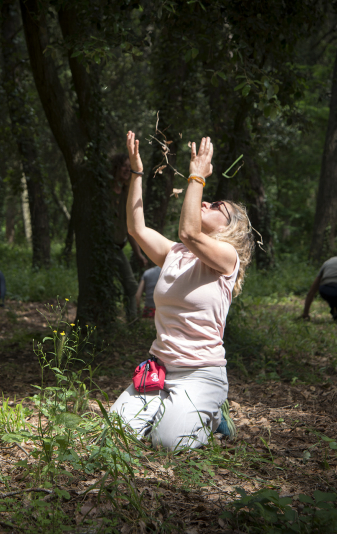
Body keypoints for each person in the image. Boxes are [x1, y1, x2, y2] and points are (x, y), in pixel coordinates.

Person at [109, 132, 255, 450]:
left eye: (216, 206)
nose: (205, 202)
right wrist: (136, 171)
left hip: (200, 375)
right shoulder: (175, 253)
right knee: (115, 435)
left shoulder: (226, 260)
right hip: (159, 369)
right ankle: (172, 410)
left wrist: (197, 175)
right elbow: (136, 228)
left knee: (170, 443)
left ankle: (215, 418)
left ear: (231, 228)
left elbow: (189, 230)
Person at [109, 154, 148, 321]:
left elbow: (128, 228)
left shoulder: (126, 193)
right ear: (115, 167)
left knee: (131, 286)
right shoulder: (106, 191)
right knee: (105, 286)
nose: (127, 169)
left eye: (129, 166)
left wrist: (138, 254)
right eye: (124, 166)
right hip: (103, 249)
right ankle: (106, 322)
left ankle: (132, 322)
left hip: (117, 248)